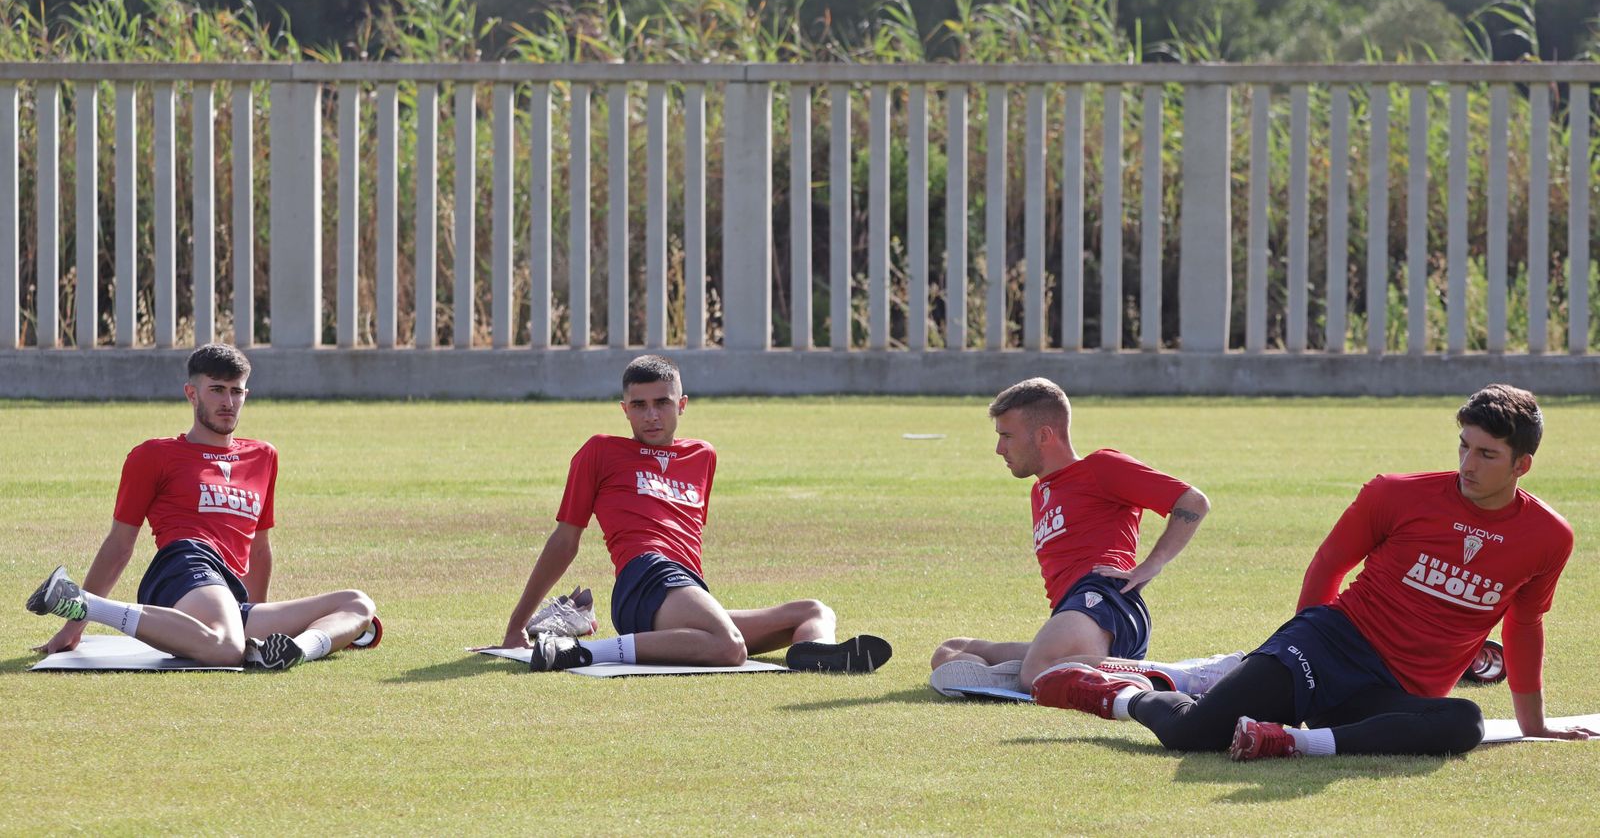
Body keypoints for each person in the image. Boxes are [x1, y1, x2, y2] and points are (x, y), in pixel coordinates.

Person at [1032, 384, 1598, 758]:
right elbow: (1331, 564)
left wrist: (1535, 724)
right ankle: (1117, 694)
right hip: (1327, 645)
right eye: (1463, 447)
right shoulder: (1396, 495)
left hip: (1395, 690)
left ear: (1522, 464)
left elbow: (1524, 626)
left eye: (1486, 455)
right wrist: (1296, 650)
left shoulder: (1549, 537)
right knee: (1195, 735)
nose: (1467, 466)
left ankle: (1297, 744)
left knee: (1464, 723)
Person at [491, 354, 891, 673]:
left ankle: (817, 655)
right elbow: (565, 540)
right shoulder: (600, 451)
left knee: (813, 611)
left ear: (681, 404)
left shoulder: (703, 456)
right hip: (644, 577)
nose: (651, 415)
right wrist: (515, 627)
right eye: (639, 405)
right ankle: (576, 653)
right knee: (730, 647)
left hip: (685, 589)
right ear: (624, 410)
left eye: (662, 403)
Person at [27, 344, 379, 670]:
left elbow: (259, 549)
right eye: (217, 390)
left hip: (228, 593)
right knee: (226, 648)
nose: (228, 401)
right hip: (182, 567)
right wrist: (76, 626)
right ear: (191, 393)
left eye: (236, 391)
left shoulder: (263, 456)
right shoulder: (153, 455)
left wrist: (253, 619)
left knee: (358, 604)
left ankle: (296, 651)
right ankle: (85, 602)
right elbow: (120, 545)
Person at [929, 378, 1218, 697]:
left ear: (1043, 435)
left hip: (1104, 599)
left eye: (1007, 436)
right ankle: (1064, 670)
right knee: (950, 652)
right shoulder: (1040, 492)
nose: (999, 449)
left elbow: (1193, 502)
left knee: (1036, 672)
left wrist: (1153, 564)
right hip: (1072, 613)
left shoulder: (1101, 467)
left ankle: (1188, 675)